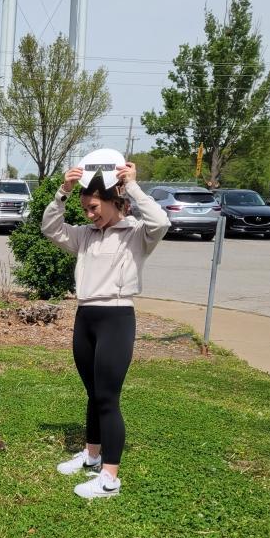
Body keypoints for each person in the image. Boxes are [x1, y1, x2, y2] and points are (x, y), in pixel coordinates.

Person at [41, 159, 170, 498]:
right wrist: (63, 192)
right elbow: (51, 229)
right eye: (84, 208)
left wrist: (132, 186)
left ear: (115, 201)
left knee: (108, 398)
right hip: (85, 318)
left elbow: (162, 220)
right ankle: (92, 456)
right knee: (93, 393)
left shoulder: (137, 234)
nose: (88, 215)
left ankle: (110, 478)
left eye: (94, 207)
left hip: (116, 319)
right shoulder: (85, 235)